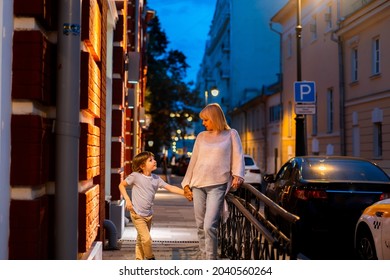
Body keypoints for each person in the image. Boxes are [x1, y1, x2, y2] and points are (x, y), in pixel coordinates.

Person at [181, 103, 245, 260]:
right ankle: (204, 258)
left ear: (215, 118)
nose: (203, 123)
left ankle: (211, 260)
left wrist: (238, 175)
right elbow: (194, 161)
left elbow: (238, 155)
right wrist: (186, 184)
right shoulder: (201, 137)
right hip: (198, 184)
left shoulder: (231, 134)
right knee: (200, 225)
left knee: (210, 225)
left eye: (206, 120)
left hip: (217, 184)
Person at [118, 151, 193, 260]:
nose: (155, 161)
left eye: (153, 159)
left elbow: (170, 187)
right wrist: (128, 200)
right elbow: (121, 185)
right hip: (137, 214)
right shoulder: (136, 176)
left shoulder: (156, 179)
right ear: (142, 166)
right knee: (147, 239)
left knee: (141, 239)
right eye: (151, 160)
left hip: (148, 215)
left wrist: (186, 194)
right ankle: (150, 258)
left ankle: (139, 261)